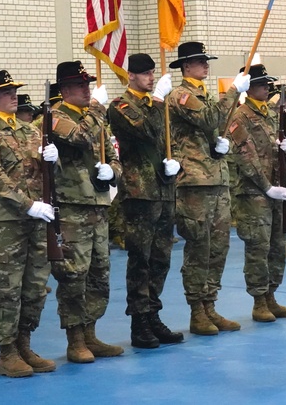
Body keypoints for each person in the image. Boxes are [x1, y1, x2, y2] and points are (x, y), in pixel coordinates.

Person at [0, 70, 57, 378]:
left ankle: (24, 343)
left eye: (14, 90)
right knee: (6, 287)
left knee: (34, 287)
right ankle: (6, 352)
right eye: (6, 92)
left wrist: (51, 159)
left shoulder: (30, 131)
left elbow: (40, 173)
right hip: (5, 220)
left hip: (36, 218)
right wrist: (28, 205)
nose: (13, 95)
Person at [166, 41, 249, 336]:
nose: (206, 65)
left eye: (206, 60)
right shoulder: (181, 95)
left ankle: (210, 304)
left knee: (219, 247)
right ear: (187, 66)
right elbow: (211, 118)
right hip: (195, 183)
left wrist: (219, 144)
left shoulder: (202, 93)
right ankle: (196, 311)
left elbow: (213, 127)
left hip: (216, 178)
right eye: (201, 61)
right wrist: (234, 90)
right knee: (199, 247)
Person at [107, 53, 184, 349]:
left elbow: (168, 138)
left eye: (153, 73)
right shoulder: (121, 106)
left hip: (163, 189)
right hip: (139, 192)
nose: (151, 78)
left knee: (160, 258)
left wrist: (175, 162)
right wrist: (161, 100)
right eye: (145, 74)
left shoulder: (153, 105)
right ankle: (138, 322)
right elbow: (149, 129)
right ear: (131, 76)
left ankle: (153, 313)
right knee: (140, 258)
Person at [49, 60, 124, 363]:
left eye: (88, 84)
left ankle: (91, 333)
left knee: (99, 274)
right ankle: (75, 339)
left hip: (98, 205)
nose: (87, 89)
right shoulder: (55, 117)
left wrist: (113, 172)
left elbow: (114, 156)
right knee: (73, 275)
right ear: (65, 89)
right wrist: (97, 109)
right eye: (80, 85)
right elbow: (80, 137)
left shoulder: (94, 118)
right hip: (72, 208)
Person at [227, 65, 286, 322]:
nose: (266, 88)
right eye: (261, 84)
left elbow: (274, 150)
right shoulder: (240, 116)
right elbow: (244, 157)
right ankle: (259, 302)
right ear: (249, 88)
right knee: (258, 247)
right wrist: (266, 186)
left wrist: (285, 148)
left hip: (276, 190)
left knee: (277, 246)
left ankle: (272, 296)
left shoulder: (270, 114)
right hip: (253, 193)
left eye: (268, 84)